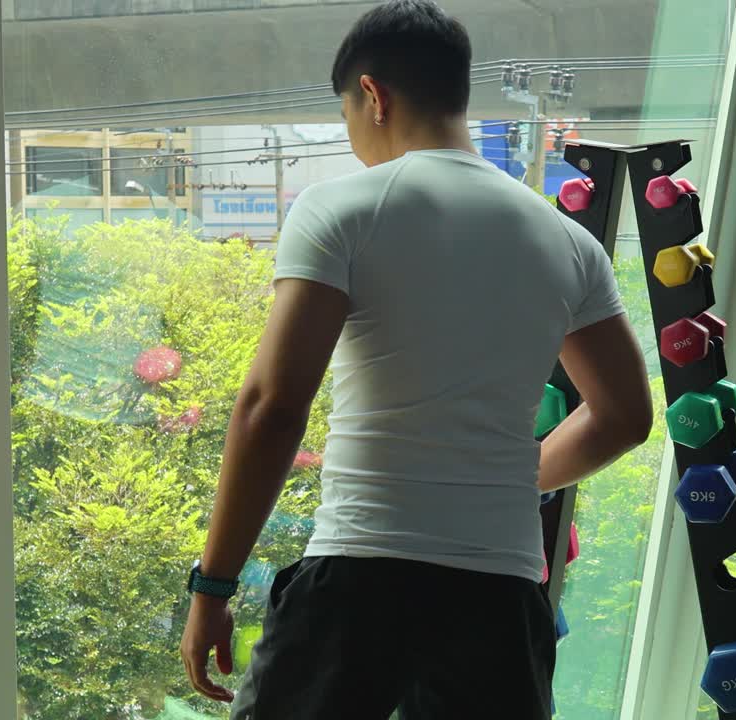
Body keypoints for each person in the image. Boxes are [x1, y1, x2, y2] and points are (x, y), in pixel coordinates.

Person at [179, 1, 653, 718]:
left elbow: (273, 407)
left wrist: (213, 588)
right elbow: (624, 417)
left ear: (373, 95)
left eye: (346, 118)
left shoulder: (339, 209)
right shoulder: (566, 243)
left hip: (360, 581)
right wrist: (512, 474)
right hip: (501, 601)